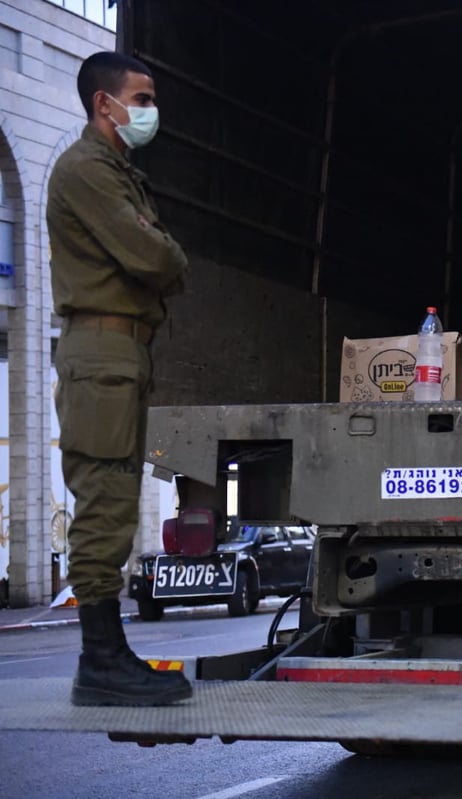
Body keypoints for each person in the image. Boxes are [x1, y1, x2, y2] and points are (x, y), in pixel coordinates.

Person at [48, 51, 191, 706]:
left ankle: (109, 654)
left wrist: (163, 257)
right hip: (100, 353)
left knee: (116, 500)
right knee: (104, 501)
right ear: (103, 105)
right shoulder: (85, 170)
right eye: (140, 98)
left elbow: (163, 258)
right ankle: (100, 661)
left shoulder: (116, 172)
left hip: (122, 354)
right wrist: (161, 256)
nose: (148, 110)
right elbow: (154, 254)